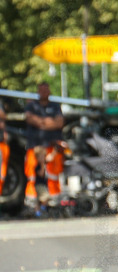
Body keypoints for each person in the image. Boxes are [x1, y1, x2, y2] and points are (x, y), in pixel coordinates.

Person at [24, 82, 65, 211]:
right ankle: (32, 201)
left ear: (49, 91)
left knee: (53, 173)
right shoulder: (32, 106)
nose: (43, 92)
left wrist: (41, 122)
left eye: (46, 90)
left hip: (52, 146)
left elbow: (59, 122)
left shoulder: (55, 106)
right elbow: (30, 119)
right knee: (32, 174)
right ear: (38, 92)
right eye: (41, 90)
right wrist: (49, 122)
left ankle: (54, 200)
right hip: (35, 146)